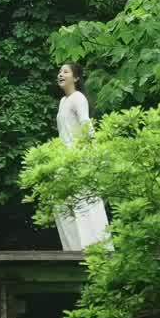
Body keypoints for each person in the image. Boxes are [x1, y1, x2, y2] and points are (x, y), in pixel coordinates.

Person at [53, 63, 111, 251]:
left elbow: (86, 125)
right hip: (64, 160)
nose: (61, 74)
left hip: (79, 158)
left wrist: (95, 156)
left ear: (76, 78)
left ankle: (94, 247)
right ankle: (73, 249)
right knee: (62, 204)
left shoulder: (78, 98)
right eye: (60, 72)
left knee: (84, 202)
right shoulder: (63, 101)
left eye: (66, 72)